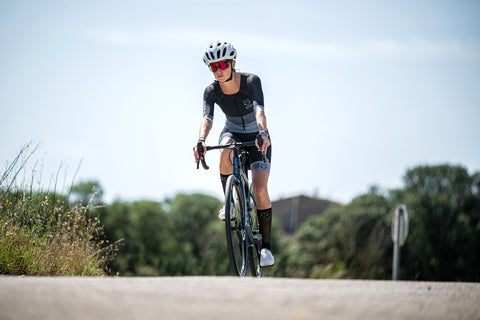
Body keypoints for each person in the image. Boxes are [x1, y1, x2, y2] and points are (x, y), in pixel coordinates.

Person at [193, 40, 274, 267]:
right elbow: (207, 120)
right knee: (226, 148)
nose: (218, 71)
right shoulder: (211, 91)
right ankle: (229, 203)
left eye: (222, 65)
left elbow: (260, 111)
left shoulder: (251, 81)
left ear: (232, 63)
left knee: (259, 190)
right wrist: (201, 140)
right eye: (213, 67)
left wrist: (263, 132)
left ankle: (266, 249)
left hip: (258, 136)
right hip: (233, 132)